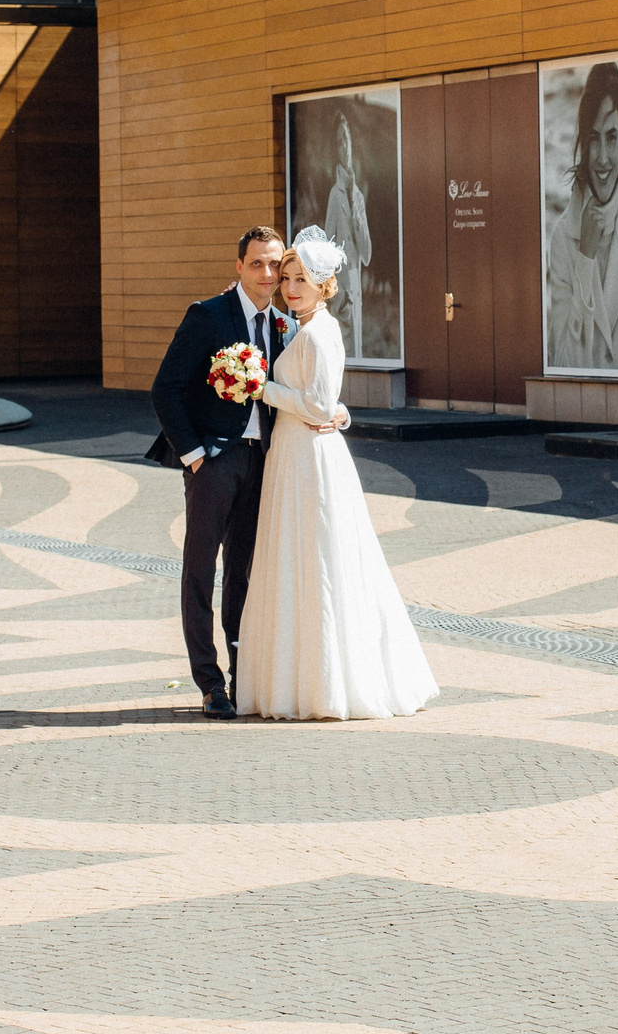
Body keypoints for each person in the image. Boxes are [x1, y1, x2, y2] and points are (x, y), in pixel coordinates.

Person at [145, 226, 348, 719]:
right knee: (200, 569)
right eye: (256, 263)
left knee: (247, 573)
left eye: (275, 265)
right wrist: (194, 454)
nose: (268, 273)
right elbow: (165, 389)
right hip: (216, 459)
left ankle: (244, 674)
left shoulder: (287, 322)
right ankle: (209, 682)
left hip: (271, 461)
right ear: (239, 267)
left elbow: (312, 385)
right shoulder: (207, 315)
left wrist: (338, 412)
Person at [235, 228, 438, 721]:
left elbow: (318, 403)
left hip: (308, 456)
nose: (291, 287)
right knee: (299, 558)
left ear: (324, 283)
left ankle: (324, 684)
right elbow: (329, 403)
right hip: (295, 451)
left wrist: (263, 388)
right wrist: (339, 412)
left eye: (302, 278)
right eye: (287, 278)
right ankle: (299, 680)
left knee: (317, 560)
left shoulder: (320, 331)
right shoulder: (304, 327)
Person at [545, 61, 618, 371]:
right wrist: (585, 258)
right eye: (594, 138)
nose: (601, 158)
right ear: (583, 142)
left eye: (610, 137)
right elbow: (562, 363)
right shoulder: (562, 239)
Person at [321, 112, 373, 358]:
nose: (344, 146)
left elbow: (367, 252)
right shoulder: (335, 194)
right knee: (345, 342)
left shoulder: (357, 195)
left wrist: (357, 216)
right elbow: (327, 242)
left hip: (355, 277)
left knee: (357, 339)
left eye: (347, 139)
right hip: (341, 282)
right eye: (339, 141)